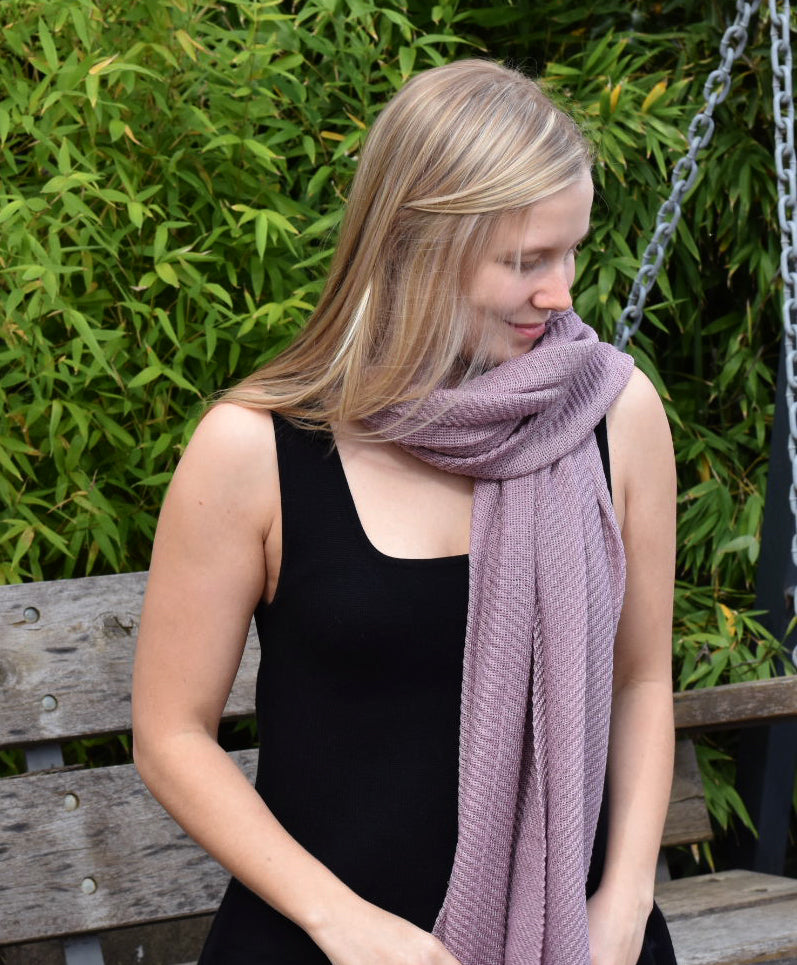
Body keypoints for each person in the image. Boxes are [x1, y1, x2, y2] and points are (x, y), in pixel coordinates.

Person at [131, 59, 678, 965]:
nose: (561, 293)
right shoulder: (256, 450)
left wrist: (623, 905)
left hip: (575, 943)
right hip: (324, 945)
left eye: (570, 250)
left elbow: (640, 680)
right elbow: (170, 733)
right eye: (524, 261)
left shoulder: (614, 415)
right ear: (415, 244)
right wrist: (343, 923)